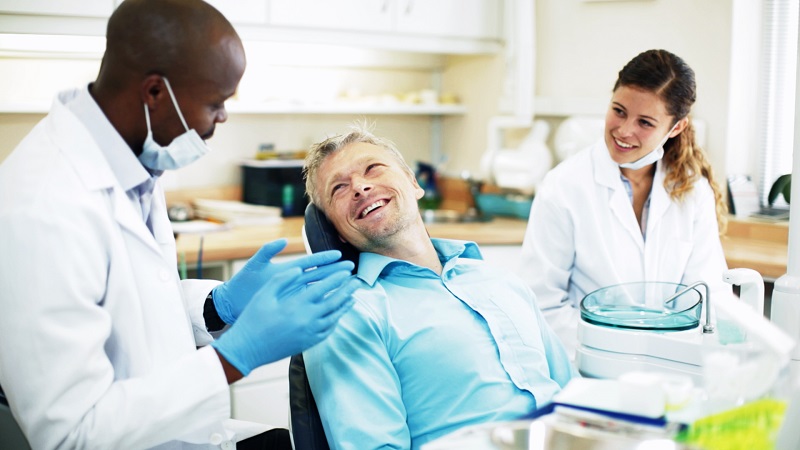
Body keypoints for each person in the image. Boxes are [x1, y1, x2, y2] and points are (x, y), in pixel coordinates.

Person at [0, 1, 359, 449]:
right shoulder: (42, 206)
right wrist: (234, 357)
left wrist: (219, 307)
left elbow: (133, 307)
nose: (222, 117)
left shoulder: (130, 162)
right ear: (154, 93)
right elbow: (73, 434)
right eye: (216, 102)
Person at [301, 124, 576, 450]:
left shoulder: (499, 280)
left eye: (372, 168)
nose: (360, 187)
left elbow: (575, 400)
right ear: (337, 230)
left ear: (414, 183)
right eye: (339, 188)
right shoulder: (348, 315)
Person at [519, 49, 730, 359]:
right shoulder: (563, 187)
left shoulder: (693, 192)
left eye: (645, 122)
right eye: (619, 111)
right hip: (587, 364)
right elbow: (542, 304)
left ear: (676, 128)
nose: (624, 130)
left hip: (670, 366)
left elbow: (706, 296)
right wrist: (621, 355)